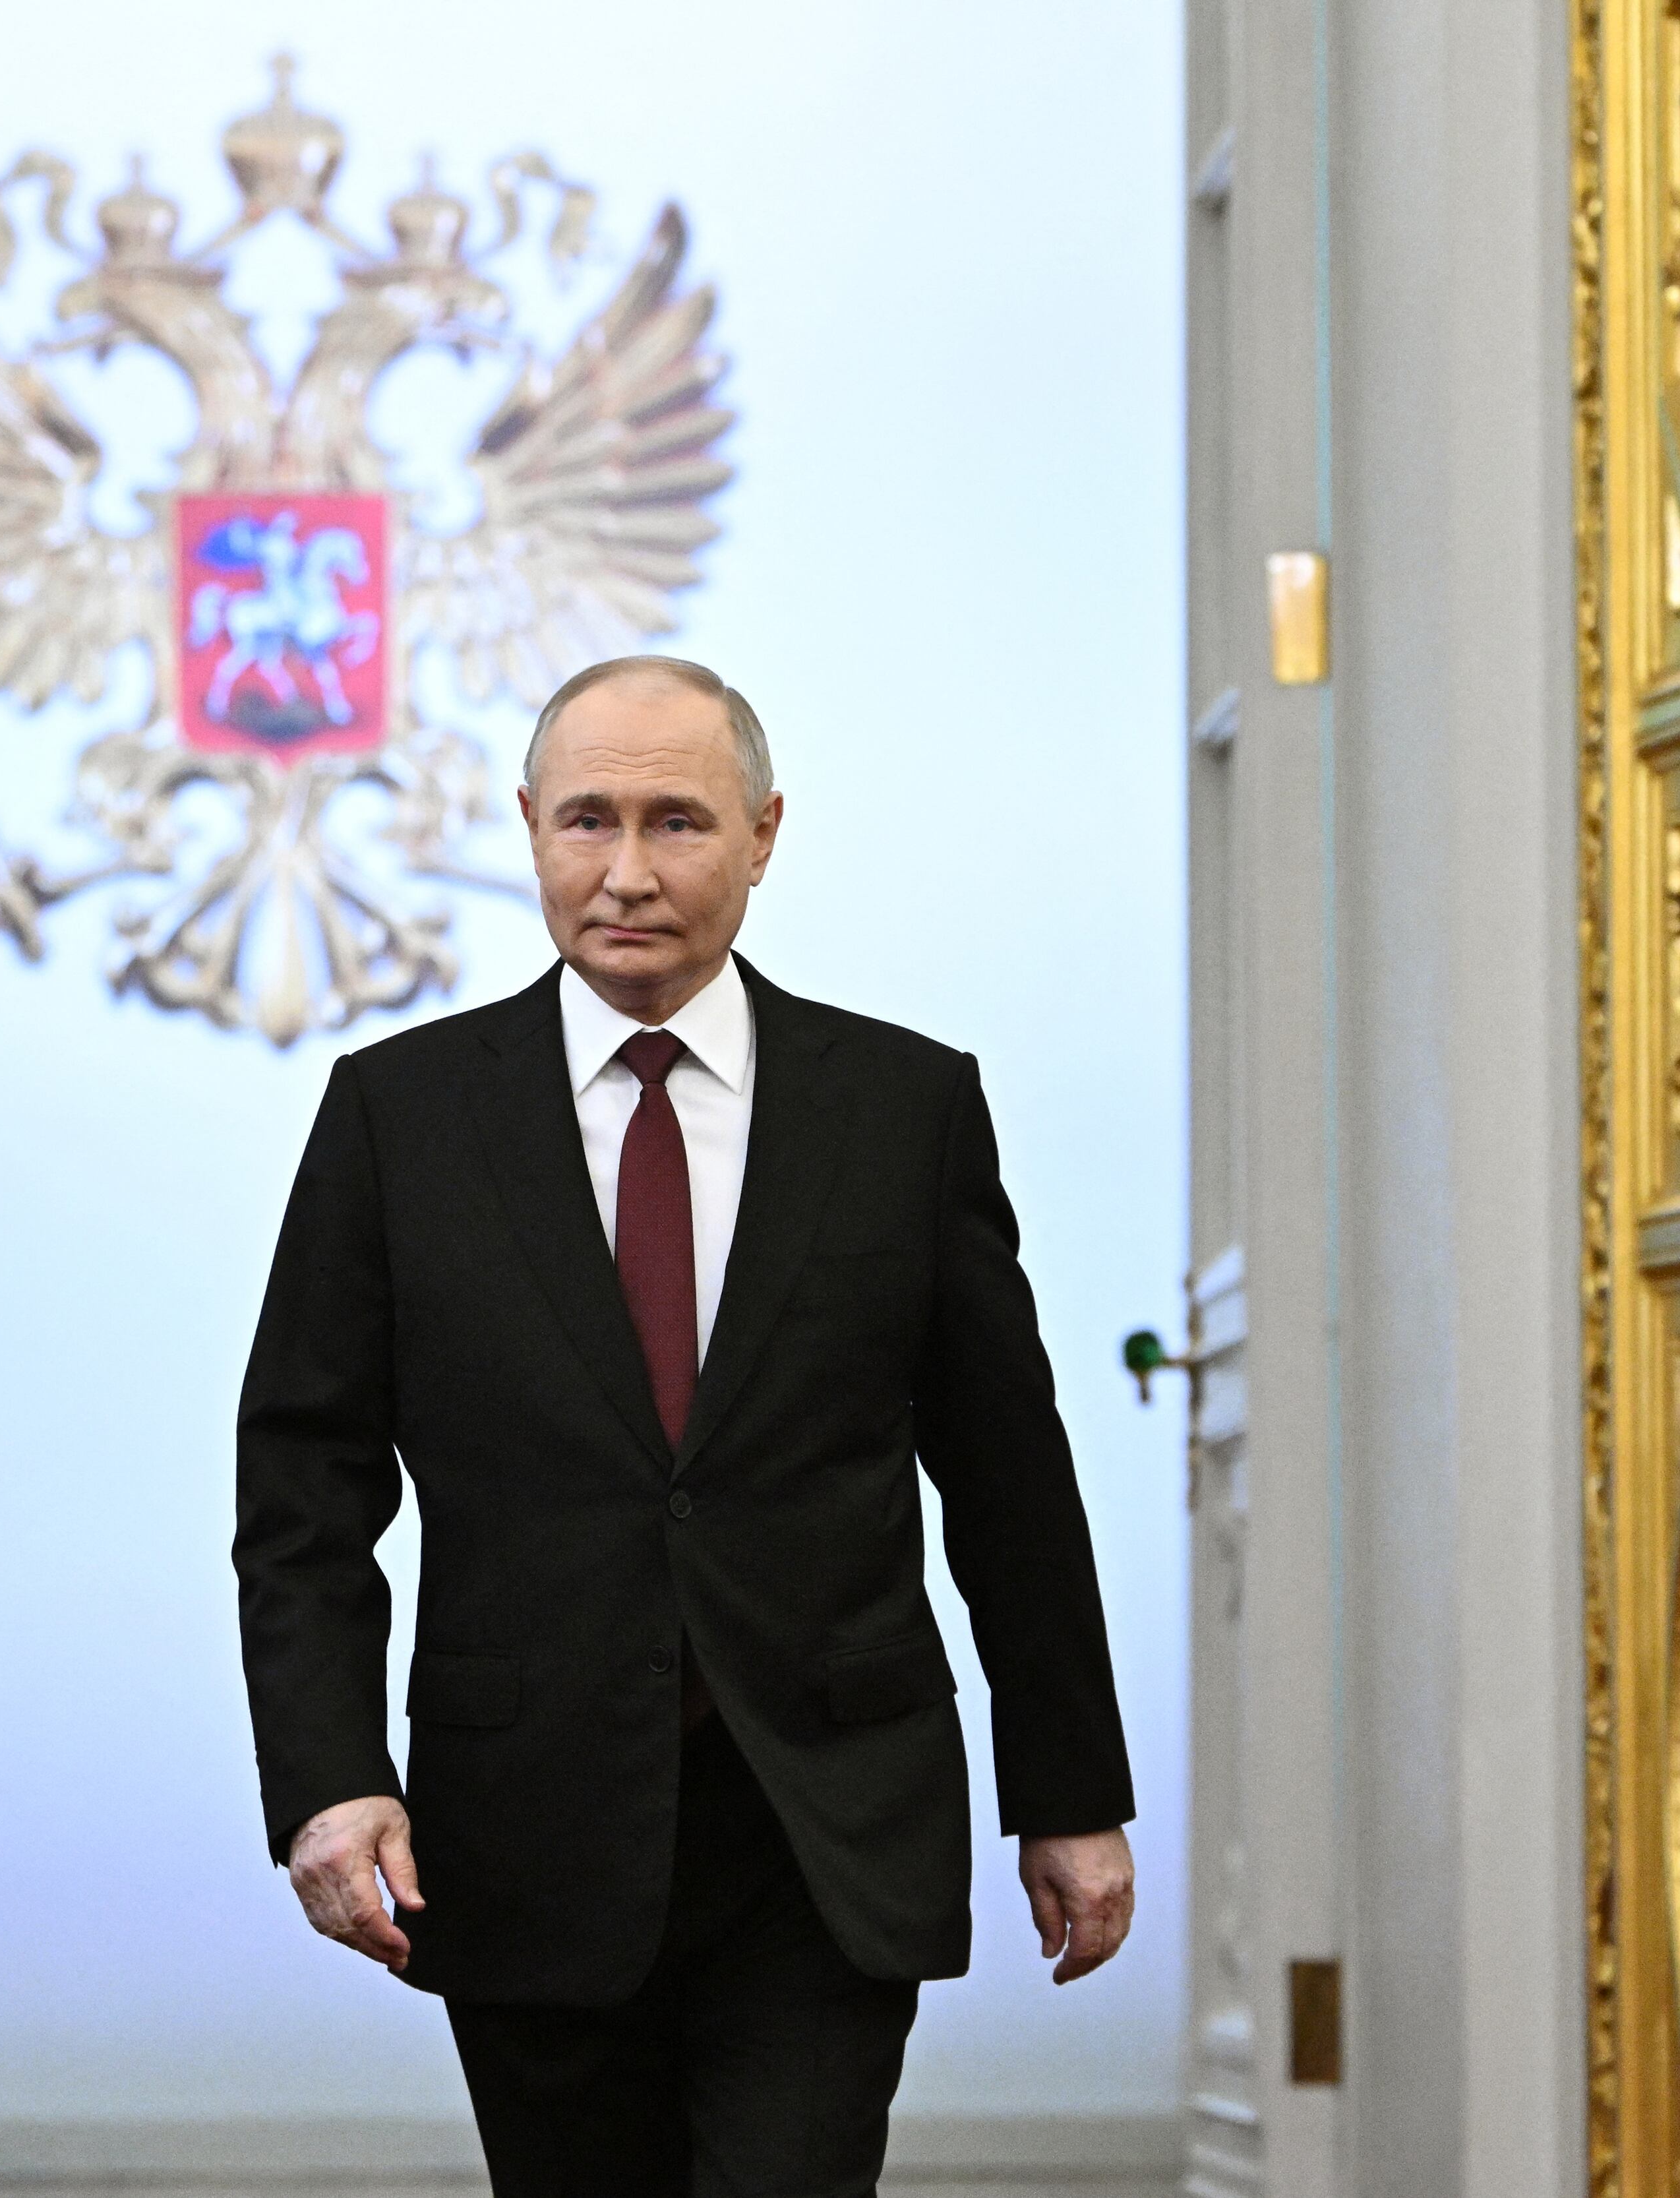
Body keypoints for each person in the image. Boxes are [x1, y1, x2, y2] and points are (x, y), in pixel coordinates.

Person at [235, 656, 1136, 2197]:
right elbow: (304, 1485)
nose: (630, 871)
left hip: (823, 1822)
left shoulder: (902, 1107)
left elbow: (1006, 1474)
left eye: (680, 821)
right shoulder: (400, 1115)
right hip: (525, 1826)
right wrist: (327, 1772)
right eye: (587, 820)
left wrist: (1066, 1788)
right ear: (527, 827)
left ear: (765, 833)